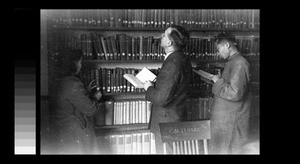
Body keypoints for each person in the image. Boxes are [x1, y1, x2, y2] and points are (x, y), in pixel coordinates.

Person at [143, 25, 192, 154]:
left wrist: (148, 87)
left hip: (166, 121)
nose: (161, 36)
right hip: (175, 117)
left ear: (169, 42)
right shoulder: (182, 58)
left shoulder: (172, 63)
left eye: (164, 35)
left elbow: (161, 98)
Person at [49, 49, 102, 154]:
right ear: (73, 64)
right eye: (80, 62)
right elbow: (90, 110)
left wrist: (85, 91)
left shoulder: (57, 81)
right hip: (74, 133)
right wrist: (96, 98)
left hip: (62, 131)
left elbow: (66, 98)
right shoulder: (73, 84)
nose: (81, 65)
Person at [209, 32, 252, 154]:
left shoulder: (240, 63)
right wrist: (219, 82)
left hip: (231, 125)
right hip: (227, 123)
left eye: (218, 49)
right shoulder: (234, 61)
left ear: (227, 45)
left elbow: (235, 93)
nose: (218, 53)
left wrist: (218, 82)